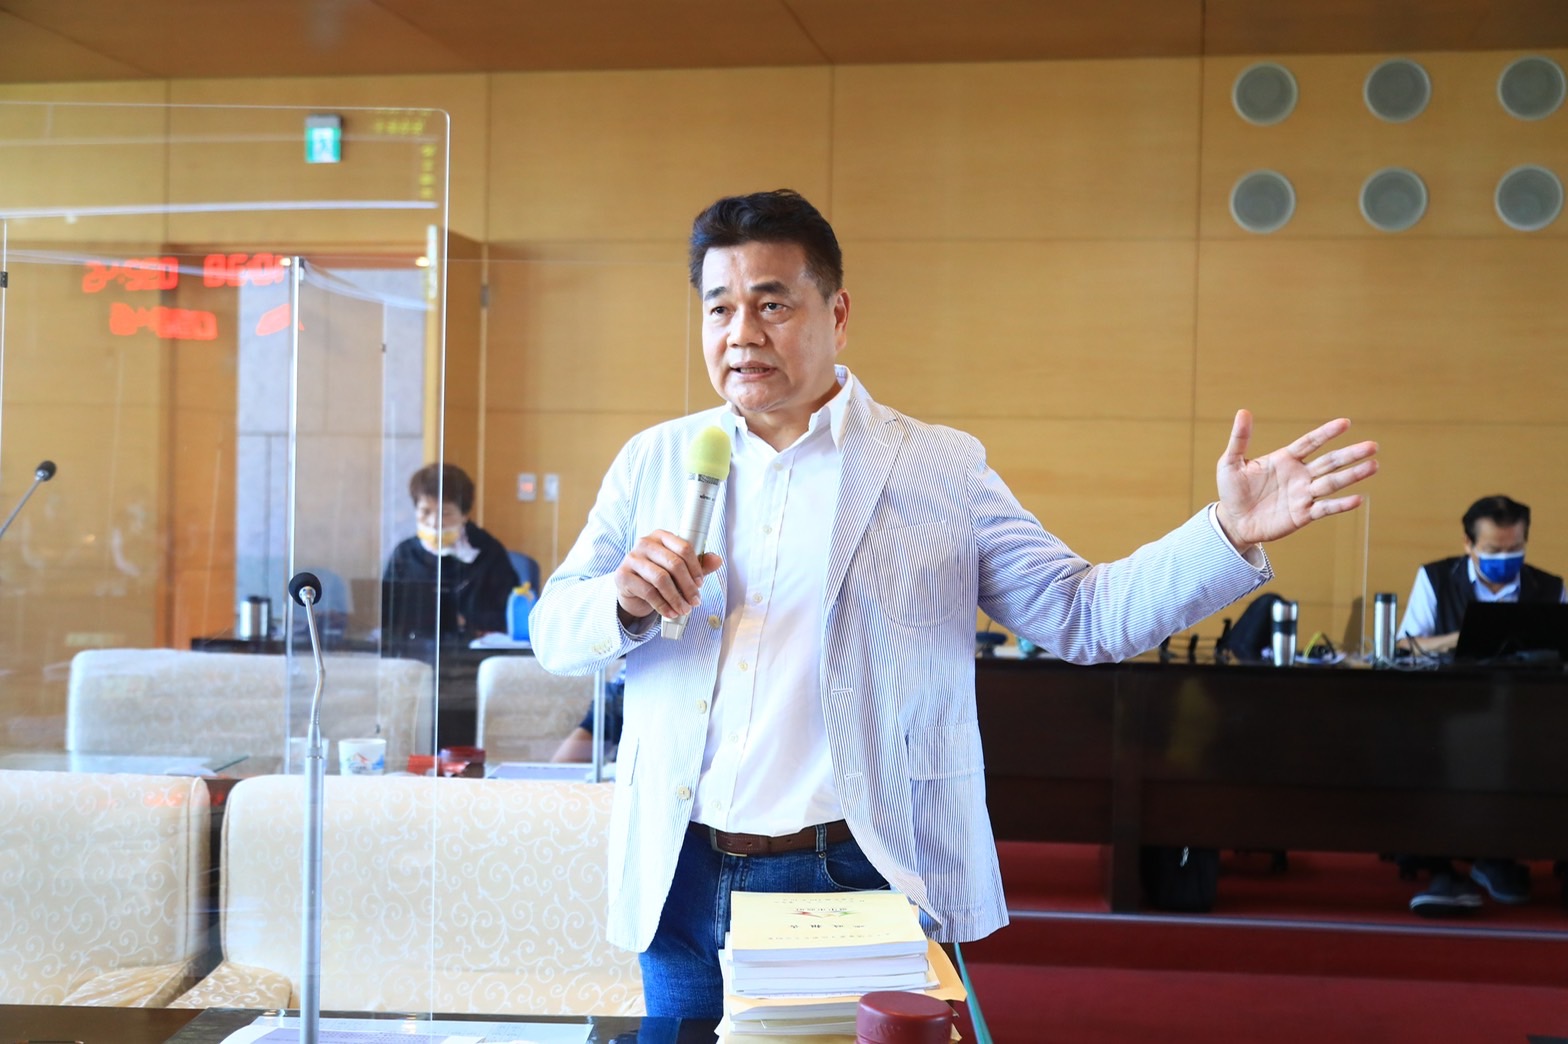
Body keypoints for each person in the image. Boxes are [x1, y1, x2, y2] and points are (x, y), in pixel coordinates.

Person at [528, 189, 1378, 1018]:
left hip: (845, 869)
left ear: (837, 313)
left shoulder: (936, 466)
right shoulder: (655, 461)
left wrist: (1226, 532)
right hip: (676, 870)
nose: (741, 333)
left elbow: (1082, 613)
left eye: (772, 304)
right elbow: (554, 629)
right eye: (719, 308)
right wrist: (620, 604)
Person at [1394, 494, 1564, 914]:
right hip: (1450, 705)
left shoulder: (1550, 587)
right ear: (1469, 544)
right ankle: (1443, 865)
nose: (1505, 558)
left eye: (1514, 549)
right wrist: (1460, 637)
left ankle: (1500, 856)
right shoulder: (1436, 578)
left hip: (1526, 709)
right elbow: (1405, 645)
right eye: (1493, 550)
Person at [381, 463, 520, 648]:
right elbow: (387, 612)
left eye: (445, 513)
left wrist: (465, 622)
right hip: (414, 648)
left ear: (464, 515)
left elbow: (508, 614)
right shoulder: (405, 553)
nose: (434, 522)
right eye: (425, 512)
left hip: (471, 650)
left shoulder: (489, 552)